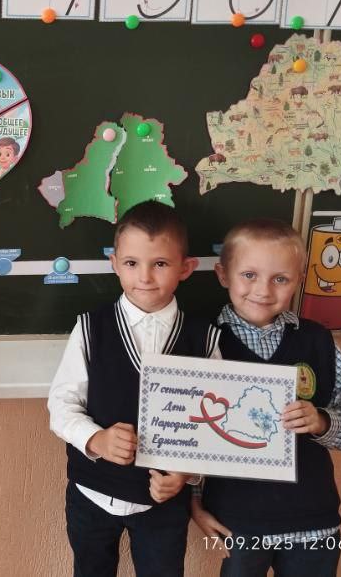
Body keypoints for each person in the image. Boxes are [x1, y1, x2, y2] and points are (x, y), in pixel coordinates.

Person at [48, 200, 220, 577]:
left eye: (160, 264)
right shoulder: (90, 329)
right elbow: (61, 405)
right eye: (131, 263)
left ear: (185, 268)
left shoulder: (204, 339)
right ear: (114, 263)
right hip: (92, 494)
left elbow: (214, 426)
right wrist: (96, 439)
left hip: (163, 503)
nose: (144, 276)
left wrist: (186, 474)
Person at [191, 219, 341, 577]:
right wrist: (194, 504)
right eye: (249, 275)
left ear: (299, 279)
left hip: (313, 520)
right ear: (223, 274)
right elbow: (185, 435)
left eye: (280, 279)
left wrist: (321, 421)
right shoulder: (200, 341)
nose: (263, 290)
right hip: (236, 521)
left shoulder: (317, 341)